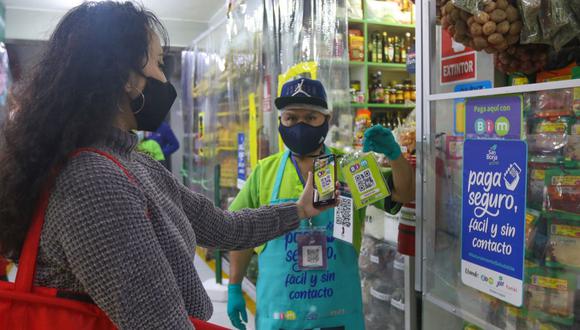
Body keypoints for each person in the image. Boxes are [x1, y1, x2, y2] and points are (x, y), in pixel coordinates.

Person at [0, 2, 335, 329]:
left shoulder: (136, 164)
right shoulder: (94, 181)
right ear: (125, 78)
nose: (164, 76)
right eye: (159, 62)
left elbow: (224, 228)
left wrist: (299, 210)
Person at [227, 78, 415, 330]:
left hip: (338, 315)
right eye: (291, 118)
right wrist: (234, 287)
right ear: (281, 121)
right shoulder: (265, 173)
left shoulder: (349, 168)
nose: (300, 126)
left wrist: (395, 156)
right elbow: (242, 234)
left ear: (327, 118)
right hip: (280, 316)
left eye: (311, 117)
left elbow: (403, 194)